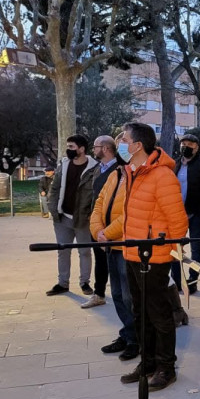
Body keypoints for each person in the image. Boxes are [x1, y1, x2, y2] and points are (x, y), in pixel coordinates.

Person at [118, 122, 188, 391]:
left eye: (124, 139)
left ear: (137, 145)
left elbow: (178, 221)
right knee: (139, 312)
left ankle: (166, 367)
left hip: (154, 257)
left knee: (158, 314)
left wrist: (170, 252)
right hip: (132, 252)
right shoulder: (133, 172)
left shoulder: (162, 176)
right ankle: (147, 362)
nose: (121, 143)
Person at [89, 135, 138, 358]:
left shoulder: (137, 176)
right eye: (119, 145)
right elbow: (99, 203)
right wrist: (97, 230)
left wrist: (106, 234)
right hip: (110, 243)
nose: (121, 148)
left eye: (124, 143)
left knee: (129, 297)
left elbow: (131, 212)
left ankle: (136, 339)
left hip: (126, 244)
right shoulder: (115, 174)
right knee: (117, 294)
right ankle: (127, 333)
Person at [46, 135, 99, 296]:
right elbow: (54, 188)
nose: (68, 150)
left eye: (71, 147)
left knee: (84, 252)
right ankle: (63, 283)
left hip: (83, 219)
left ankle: (84, 283)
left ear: (81, 149)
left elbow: (97, 194)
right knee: (63, 251)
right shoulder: (64, 164)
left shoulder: (95, 168)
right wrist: (53, 208)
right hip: (62, 217)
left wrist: (92, 215)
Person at [172, 133, 200, 294]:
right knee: (175, 247)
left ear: (196, 147)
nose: (185, 146)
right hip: (177, 214)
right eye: (183, 143)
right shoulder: (176, 164)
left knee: (196, 249)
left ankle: (192, 280)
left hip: (196, 214)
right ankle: (177, 280)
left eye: (190, 144)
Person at [81, 136, 118, 309]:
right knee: (100, 259)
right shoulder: (97, 169)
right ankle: (99, 293)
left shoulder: (121, 169)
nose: (93, 150)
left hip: (114, 224)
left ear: (105, 148)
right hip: (97, 222)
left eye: (95, 147)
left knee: (116, 262)